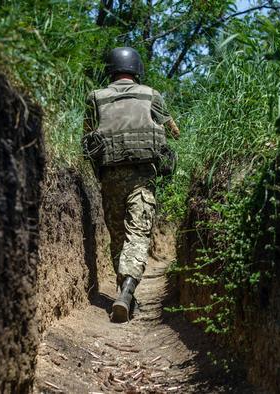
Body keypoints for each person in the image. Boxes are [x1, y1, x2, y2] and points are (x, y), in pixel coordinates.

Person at [82, 47, 180, 323]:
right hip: (142, 176)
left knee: (118, 237)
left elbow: (87, 138)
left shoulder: (95, 98)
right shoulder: (151, 95)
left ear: (110, 69)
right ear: (136, 69)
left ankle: (124, 292)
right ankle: (127, 290)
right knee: (137, 234)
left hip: (109, 177)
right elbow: (175, 132)